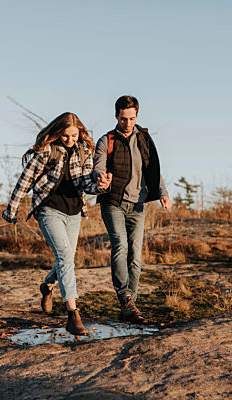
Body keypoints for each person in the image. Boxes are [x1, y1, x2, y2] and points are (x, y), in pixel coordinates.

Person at [2, 112, 112, 335]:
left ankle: (47, 286)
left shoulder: (84, 152)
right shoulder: (47, 151)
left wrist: (101, 186)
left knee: (67, 258)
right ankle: (72, 314)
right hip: (48, 209)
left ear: (80, 132)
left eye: (73, 135)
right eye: (65, 136)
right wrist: (12, 210)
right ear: (57, 133)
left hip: (73, 211)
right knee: (64, 256)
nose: (70, 140)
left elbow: (86, 184)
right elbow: (26, 180)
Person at [93, 95, 171, 324]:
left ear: (137, 115)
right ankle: (125, 298)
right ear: (116, 115)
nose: (128, 123)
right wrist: (100, 178)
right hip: (113, 201)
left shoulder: (144, 139)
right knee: (121, 245)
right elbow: (97, 166)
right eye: (124, 118)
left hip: (137, 204)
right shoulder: (106, 140)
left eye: (132, 118)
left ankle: (130, 305)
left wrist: (162, 192)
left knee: (136, 256)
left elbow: (154, 169)